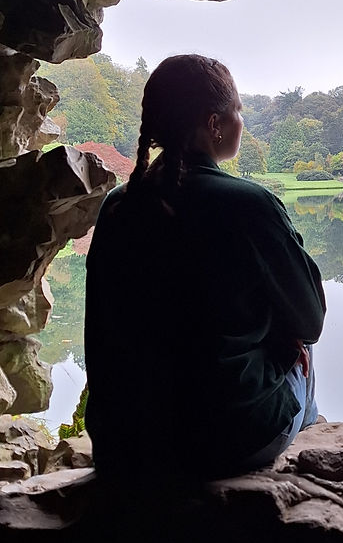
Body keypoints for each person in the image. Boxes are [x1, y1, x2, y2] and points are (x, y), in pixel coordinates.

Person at [83, 54, 326, 480]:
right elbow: (311, 320)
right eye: (239, 112)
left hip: (126, 443)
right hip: (222, 441)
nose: (241, 121)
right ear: (215, 124)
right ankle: (307, 448)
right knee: (302, 348)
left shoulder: (118, 205)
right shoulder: (249, 204)